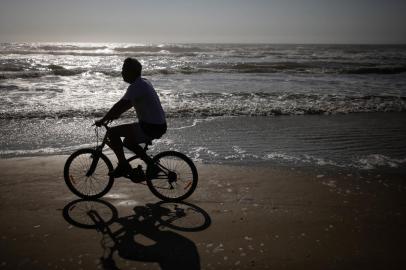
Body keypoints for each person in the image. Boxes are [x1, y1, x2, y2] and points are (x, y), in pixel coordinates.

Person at [95, 58, 167, 178]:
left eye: (124, 70)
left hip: (150, 127)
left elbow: (120, 104)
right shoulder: (144, 82)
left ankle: (123, 166)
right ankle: (152, 165)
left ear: (131, 72)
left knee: (112, 133)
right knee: (128, 142)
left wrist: (103, 119)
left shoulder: (136, 86)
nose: (122, 72)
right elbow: (128, 104)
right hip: (158, 125)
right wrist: (113, 116)